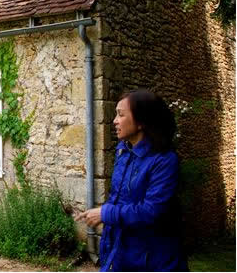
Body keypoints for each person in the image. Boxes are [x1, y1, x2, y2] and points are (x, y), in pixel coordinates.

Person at [76, 89, 188, 271]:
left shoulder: (164, 161)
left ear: (141, 121)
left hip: (152, 260)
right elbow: (119, 199)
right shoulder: (124, 150)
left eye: (121, 115)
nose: (114, 121)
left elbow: (151, 211)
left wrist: (106, 214)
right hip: (121, 253)